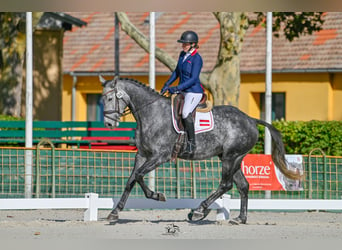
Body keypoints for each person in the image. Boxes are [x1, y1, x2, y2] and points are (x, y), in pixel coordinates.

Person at [161, 30, 204, 156]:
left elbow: (193, 79)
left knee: (185, 113)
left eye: (185, 44)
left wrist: (177, 88)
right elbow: (176, 72)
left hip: (193, 92)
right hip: (183, 90)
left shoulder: (197, 59)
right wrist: (167, 84)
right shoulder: (182, 55)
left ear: (193, 44)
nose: (183, 46)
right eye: (182, 44)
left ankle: (192, 143)